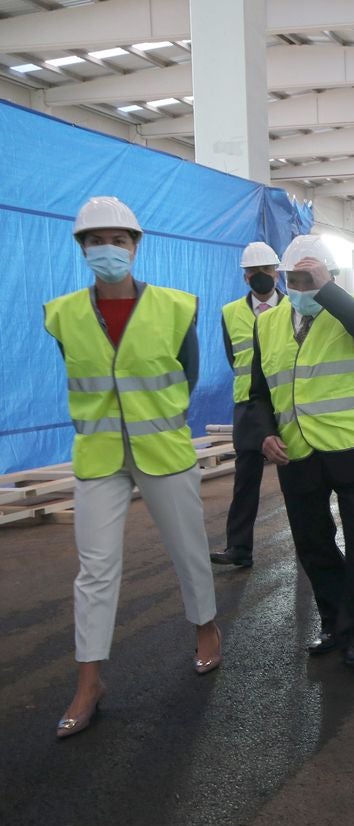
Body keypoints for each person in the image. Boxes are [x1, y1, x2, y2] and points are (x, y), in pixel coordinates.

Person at [44, 196, 221, 738]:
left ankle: (206, 629)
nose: (108, 250)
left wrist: (155, 418)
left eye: (118, 240)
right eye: (96, 241)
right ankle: (89, 680)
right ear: (82, 248)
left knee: (188, 547)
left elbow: (187, 376)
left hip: (162, 450)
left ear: (136, 246)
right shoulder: (62, 314)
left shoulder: (174, 307)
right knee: (95, 569)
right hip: (99, 457)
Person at [243, 234, 354, 667]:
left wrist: (326, 288)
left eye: (310, 277)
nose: (301, 286)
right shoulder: (267, 323)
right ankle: (335, 621)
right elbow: (257, 392)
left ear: (331, 277)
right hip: (296, 452)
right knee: (313, 544)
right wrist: (265, 433)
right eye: (294, 278)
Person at [211, 241, 284, 569]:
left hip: (286, 401)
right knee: (245, 481)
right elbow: (233, 358)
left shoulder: (295, 306)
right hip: (249, 406)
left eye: (266, 270)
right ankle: (239, 549)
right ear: (245, 277)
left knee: (304, 481)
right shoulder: (230, 313)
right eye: (253, 272)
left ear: (277, 272)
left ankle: (315, 546)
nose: (260, 276)